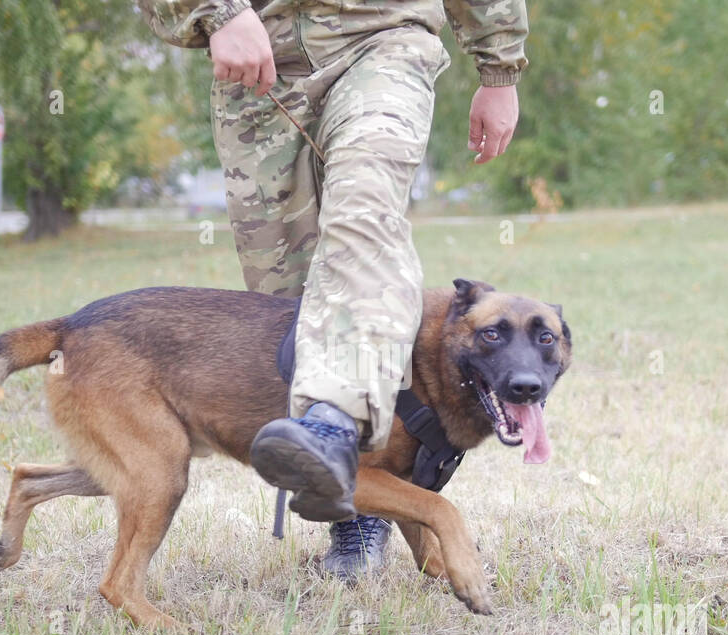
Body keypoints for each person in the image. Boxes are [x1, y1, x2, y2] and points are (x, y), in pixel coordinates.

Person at [141, 0, 527, 579]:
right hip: (261, 57)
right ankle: (350, 498)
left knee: (363, 218)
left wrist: (499, 68)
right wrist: (217, 14)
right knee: (288, 296)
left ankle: (336, 429)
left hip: (384, 37)